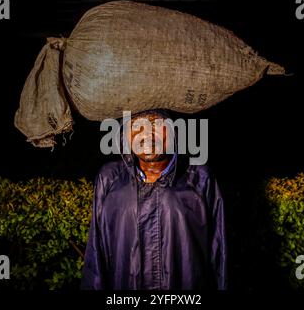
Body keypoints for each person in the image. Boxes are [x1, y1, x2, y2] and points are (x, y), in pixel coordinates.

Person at [81, 109, 227, 290]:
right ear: (125, 136)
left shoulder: (199, 178)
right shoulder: (110, 178)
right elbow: (96, 252)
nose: (146, 134)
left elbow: (219, 251)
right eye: (136, 126)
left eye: (157, 124)